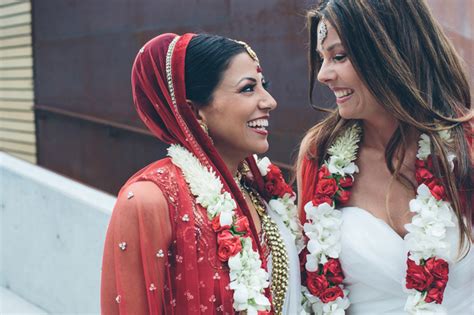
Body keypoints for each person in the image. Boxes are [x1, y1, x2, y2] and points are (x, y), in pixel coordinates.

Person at [101, 33, 303, 314]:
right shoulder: (152, 199)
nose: (269, 101)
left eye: (263, 86)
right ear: (195, 112)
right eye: (248, 89)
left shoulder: (260, 188)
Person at [296, 1, 473, 314]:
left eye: (339, 56)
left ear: (390, 51)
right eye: (321, 59)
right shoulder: (318, 154)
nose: (323, 74)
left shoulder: (466, 146)